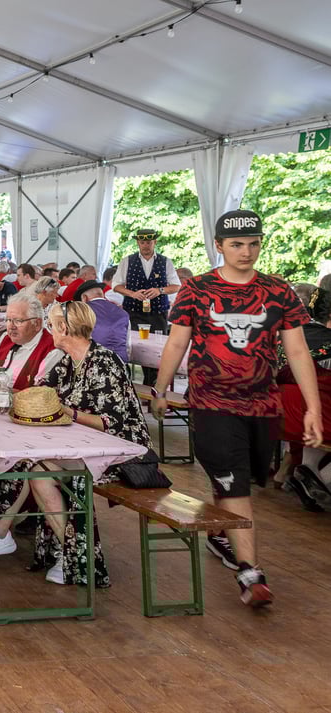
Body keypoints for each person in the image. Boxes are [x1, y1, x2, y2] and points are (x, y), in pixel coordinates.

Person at [153, 210, 321, 608]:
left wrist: (312, 407)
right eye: (237, 244)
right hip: (211, 402)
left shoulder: (279, 291)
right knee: (237, 484)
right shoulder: (196, 290)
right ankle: (251, 573)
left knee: (243, 479)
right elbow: (177, 344)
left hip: (264, 405)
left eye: (253, 244)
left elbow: (297, 350)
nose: (246, 252)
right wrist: (161, 389)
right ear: (219, 245)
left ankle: (218, 532)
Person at [0, 301, 150, 587]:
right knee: (32, 466)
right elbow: (41, 393)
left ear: (63, 328)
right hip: (79, 444)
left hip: (120, 451)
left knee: (39, 469)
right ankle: (72, 556)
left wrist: (67, 412)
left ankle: (7, 536)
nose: (49, 330)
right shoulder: (67, 361)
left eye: (51, 324)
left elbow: (113, 422)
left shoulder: (105, 362)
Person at [277, 287, 331, 510]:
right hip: (317, 417)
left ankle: (307, 468)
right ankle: (324, 476)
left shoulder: (294, 334)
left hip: (280, 416)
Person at [112, 228, 182, 385]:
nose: (145, 245)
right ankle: (135, 383)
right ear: (137, 242)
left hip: (158, 312)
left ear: (155, 242)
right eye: (142, 242)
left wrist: (160, 290)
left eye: (149, 242)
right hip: (134, 311)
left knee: (159, 347)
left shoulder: (166, 261)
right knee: (136, 346)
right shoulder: (127, 261)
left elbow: (177, 285)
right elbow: (116, 285)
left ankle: (154, 382)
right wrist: (132, 293)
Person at [72, 280, 129, 365]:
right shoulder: (123, 313)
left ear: (84, 298)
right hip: (121, 363)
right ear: (102, 295)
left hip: (93, 364)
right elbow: (128, 343)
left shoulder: (82, 311)